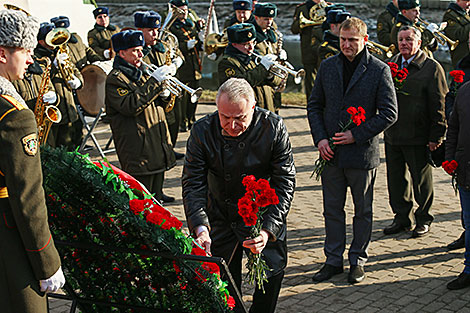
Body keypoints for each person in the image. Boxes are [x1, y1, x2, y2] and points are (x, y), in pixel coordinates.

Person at [182, 77, 295, 313]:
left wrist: (268, 229)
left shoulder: (272, 127)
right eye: (225, 117)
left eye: (240, 118)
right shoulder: (203, 130)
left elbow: (285, 182)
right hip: (220, 216)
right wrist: (200, 227)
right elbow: (193, 183)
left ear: (253, 107)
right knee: (222, 286)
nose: (232, 126)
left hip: (263, 216)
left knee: (271, 277)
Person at [307, 17, 398, 284]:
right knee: (332, 210)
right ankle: (333, 260)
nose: (346, 45)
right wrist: (320, 139)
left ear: (364, 40)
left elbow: (389, 113)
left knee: (363, 211)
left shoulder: (379, 70)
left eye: (352, 41)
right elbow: (314, 106)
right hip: (331, 154)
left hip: (361, 154)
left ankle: (358, 259)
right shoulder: (327, 66)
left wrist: (355, 134)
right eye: (343, 40)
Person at [0, 9, 64, 313]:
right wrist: (47, 262)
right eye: (24, 50)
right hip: (9, 241)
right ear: (2, 53)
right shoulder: (15, 115)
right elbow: (27, 197)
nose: (30, 59)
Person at [384, 26, 447, 237]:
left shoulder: (431, 68)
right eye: (401, 40)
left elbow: (440, 104)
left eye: (409, 40)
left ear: (419, 43)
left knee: (421, 181)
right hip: (393, 133)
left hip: (419, 135)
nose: (404, 43)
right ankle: (402, 218)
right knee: (396, 180)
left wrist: (437, 135)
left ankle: (424, 218)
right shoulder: (390, 65)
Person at [105, 30, 176, 203]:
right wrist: (154, 84)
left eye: (141, 49)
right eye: (136, 50)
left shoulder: (143, 71)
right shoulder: (116, 79)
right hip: (138, 147)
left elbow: (161, 106)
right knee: (141, 201)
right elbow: (130, 106)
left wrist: (165, 95)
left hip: (156, 143)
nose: (141, 54)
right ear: (121, 53)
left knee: (156, 196)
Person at [135, 10, 185, 163]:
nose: (155, 33)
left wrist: (175, 65)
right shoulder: (137, 51)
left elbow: (179, 54)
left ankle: (169, 148)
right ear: (139, 31)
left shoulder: (163, 44)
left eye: (156, 29)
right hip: (151, 95)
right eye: (150, 30)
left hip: (169, 92)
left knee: (173, 121)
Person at [34, 22, 84, 149]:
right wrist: (54, 67)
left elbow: (73, 68)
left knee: (75, 144)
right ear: (40, 41)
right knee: (59, 148)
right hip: (55, 112)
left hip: (69, 106)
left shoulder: (60, 51)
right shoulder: (37, 57)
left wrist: (78, 80)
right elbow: (40, 78)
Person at [218, 23, 282, 113]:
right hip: (246, 112)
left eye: (253, 42)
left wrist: (271, 76)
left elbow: (278, 82)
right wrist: (263, 68)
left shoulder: (256, 56)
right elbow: (240, 85)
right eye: (246, 44)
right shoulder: (227, 63)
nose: (251, 47)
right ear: (234, 44)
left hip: (268, 108)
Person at [445, 78, 470, 290]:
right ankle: (469, 269)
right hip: (466, 170)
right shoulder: (464, 91)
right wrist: (450, 156)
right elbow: (453, 128)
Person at [169, 0, 204, 132]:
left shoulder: (191, 25)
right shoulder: (172, 27)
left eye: (186, 10)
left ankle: (191, 119)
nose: (184, 13)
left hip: (194, 65)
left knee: (194, 96)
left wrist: (201, 42)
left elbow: (197, 45)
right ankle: (182, 122)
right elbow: (171, 46)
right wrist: (185, 46)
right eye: (181, 11)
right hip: (183, 68)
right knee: (182, 98)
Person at [251, 2, 285, 114]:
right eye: (266, 19)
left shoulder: (273, 34)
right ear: (256, 18)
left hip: (274, 83)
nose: (269, 22)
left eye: (271, 18)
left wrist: (281, 57)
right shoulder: (251, 35)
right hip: (259, 84)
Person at [290, 0, 326, 100]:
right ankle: (311, 105)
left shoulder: (328, 7)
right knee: (310, 79)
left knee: (326, 77)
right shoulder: (301, 8)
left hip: (324, 48)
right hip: (308, 48)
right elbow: (294, 29)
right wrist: (304, 22)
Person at [442, 0, 470, 68]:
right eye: (467, 1)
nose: (469, 4)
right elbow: (457, 35)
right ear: (458, 0)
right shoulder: (450, 15)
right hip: (462, 58)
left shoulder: (467, 13)